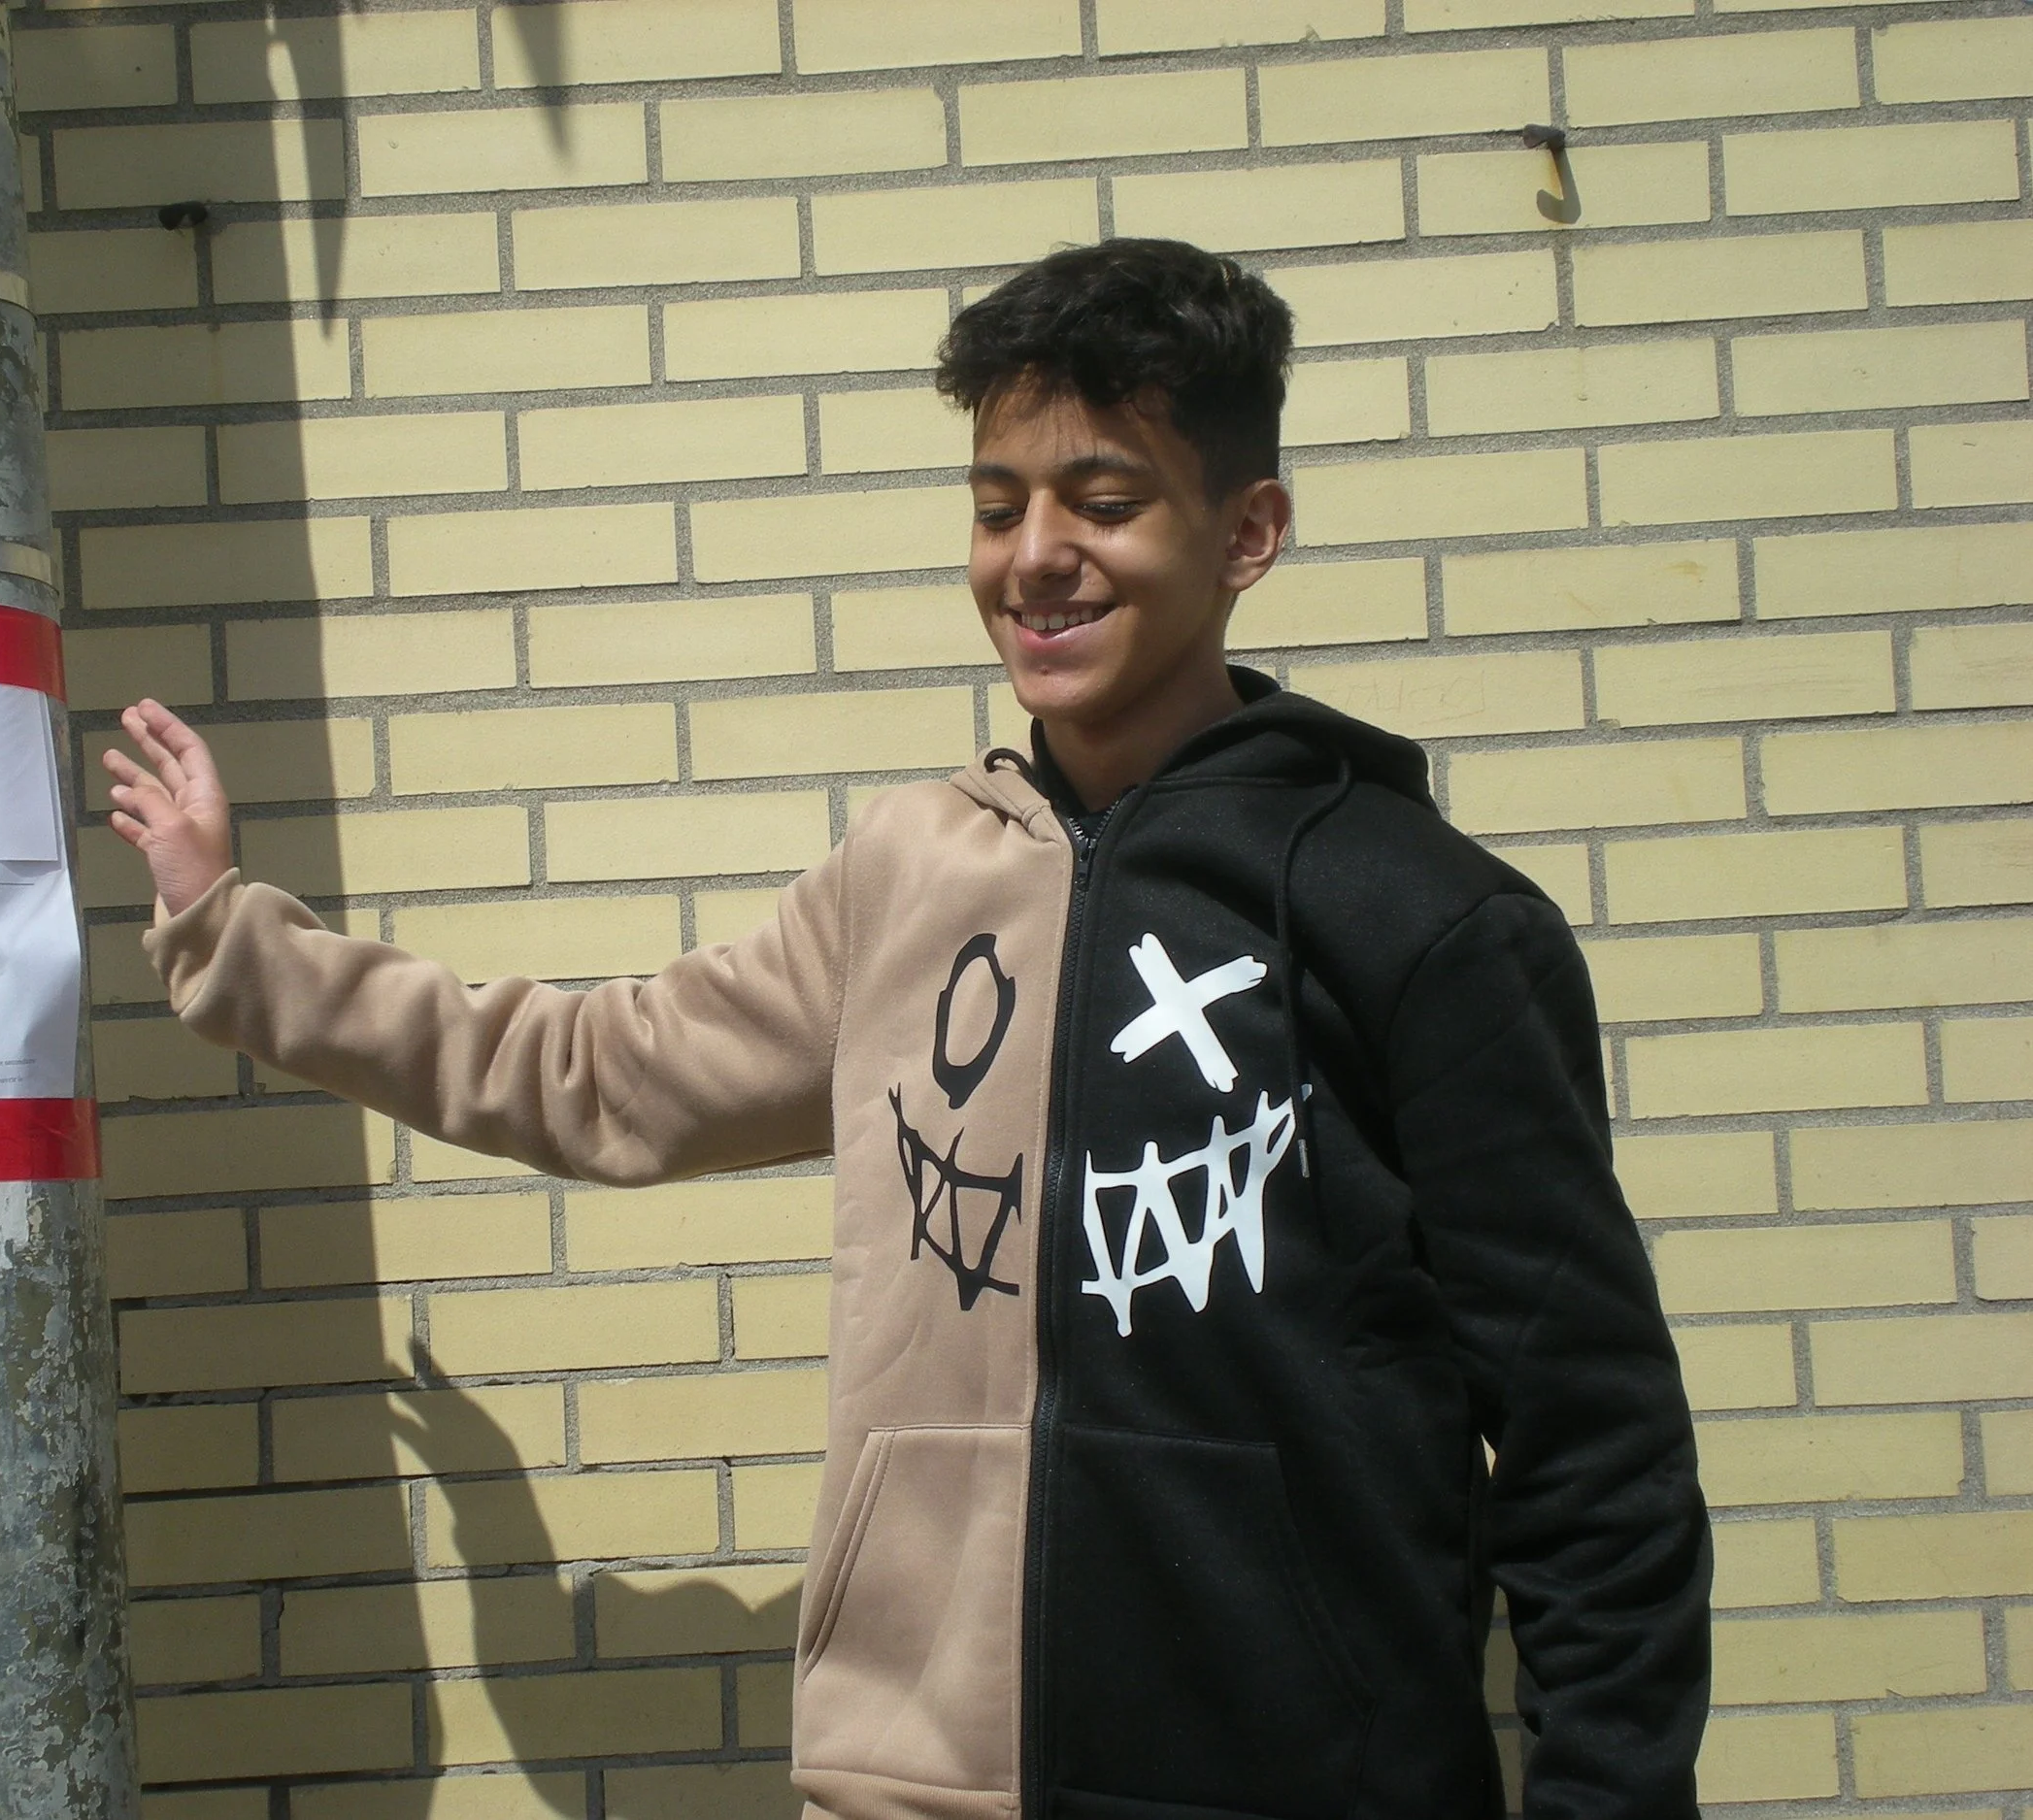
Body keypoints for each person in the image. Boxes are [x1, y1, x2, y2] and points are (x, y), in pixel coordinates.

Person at [106, 237, 1710, 1820]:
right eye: (999, 503)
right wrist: (236, 938)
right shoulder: (907, 882)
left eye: (1106, 499)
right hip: (921, 1784)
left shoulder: (1415, 916)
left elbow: (1592, 1447)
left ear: (1249, 531)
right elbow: (594, 1073)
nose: (1037, 556)